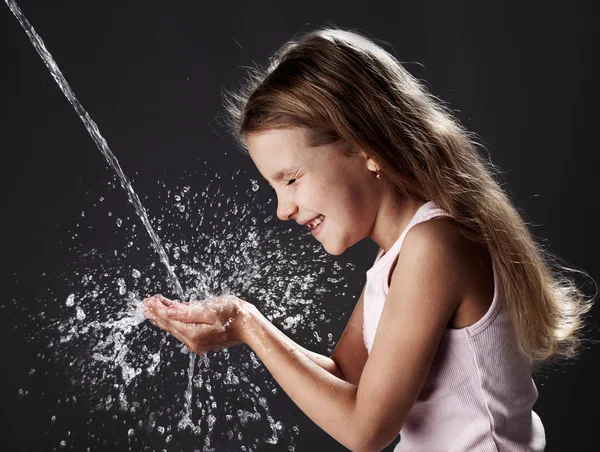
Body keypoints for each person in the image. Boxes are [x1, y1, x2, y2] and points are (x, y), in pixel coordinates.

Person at [142, 27, 594, 451]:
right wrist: (242, 331)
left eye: (292, 179)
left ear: (365, 147)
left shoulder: (434, 246)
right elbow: (349, 381)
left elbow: (367, 430)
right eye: (274, 187)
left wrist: (248, 323)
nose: (282, 209)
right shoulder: (396, 255)